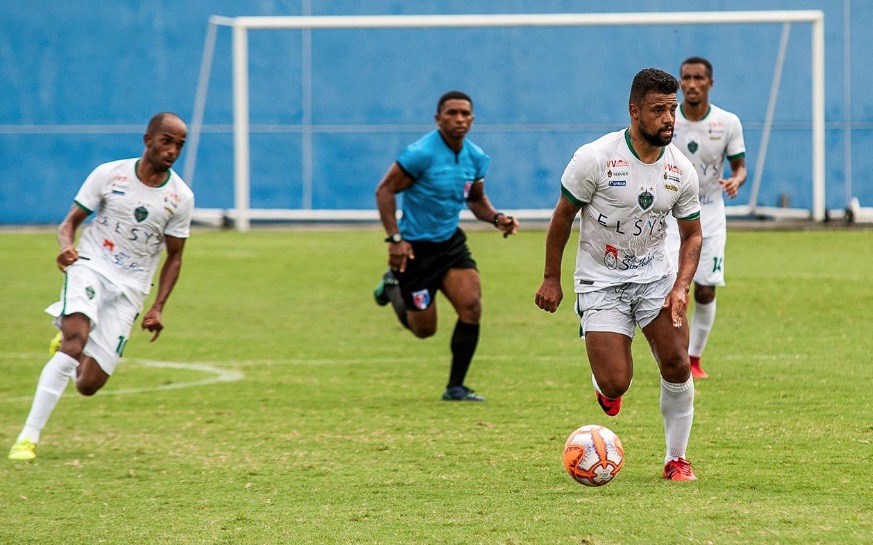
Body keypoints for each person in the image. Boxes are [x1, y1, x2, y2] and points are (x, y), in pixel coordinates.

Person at [535, 68, 703, 481]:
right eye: (658, 110)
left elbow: (693, 235)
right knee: (616, 384)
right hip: (601, 281)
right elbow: (562, 218)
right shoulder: (595, 158)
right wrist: (551, 278)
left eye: (673, 109)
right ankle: (603, 382)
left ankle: (675, 459)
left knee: (678, 363)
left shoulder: (680, 170)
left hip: (655, 278)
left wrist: (681, 286)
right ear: (634, 111)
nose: (669, 119)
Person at [8, 112, 193, 461]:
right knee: (73, 344)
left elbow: (175, 257)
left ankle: (70, 340)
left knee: (88, 385)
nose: (172, 151)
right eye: (167, 141)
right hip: (90, 265)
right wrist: (66, 246)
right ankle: (27, 438)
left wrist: (157, 306)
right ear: (148, 139)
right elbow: (70, 224)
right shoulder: (110, 174)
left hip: (131, 286)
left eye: (179, 145)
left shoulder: (180, 197)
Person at [372, 90, 519, 402]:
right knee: (424, 330)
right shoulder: (420, 154)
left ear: (472, 119)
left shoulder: (476, 158)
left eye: (465, 114)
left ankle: (456, 387)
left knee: (472, 306)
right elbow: (384, 190)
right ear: (438, 119)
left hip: (450, 244)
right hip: (415, 250)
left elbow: (476, 200)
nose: (459, 119)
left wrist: (497, 218)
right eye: (452, 113)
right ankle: (392, 287)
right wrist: (395, 239)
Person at [665, 56, 747, 379]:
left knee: (705, 290)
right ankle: (673, 355)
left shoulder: (727, 123)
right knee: (670, 286)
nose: (692, 84)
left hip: (710, 211)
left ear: (710, 83)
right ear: (680, 82)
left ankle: (694, 358)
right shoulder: (668, 119)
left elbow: (740, 165)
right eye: (686, 78)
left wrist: (736, 180)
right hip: (672, 214)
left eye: (699, 78)